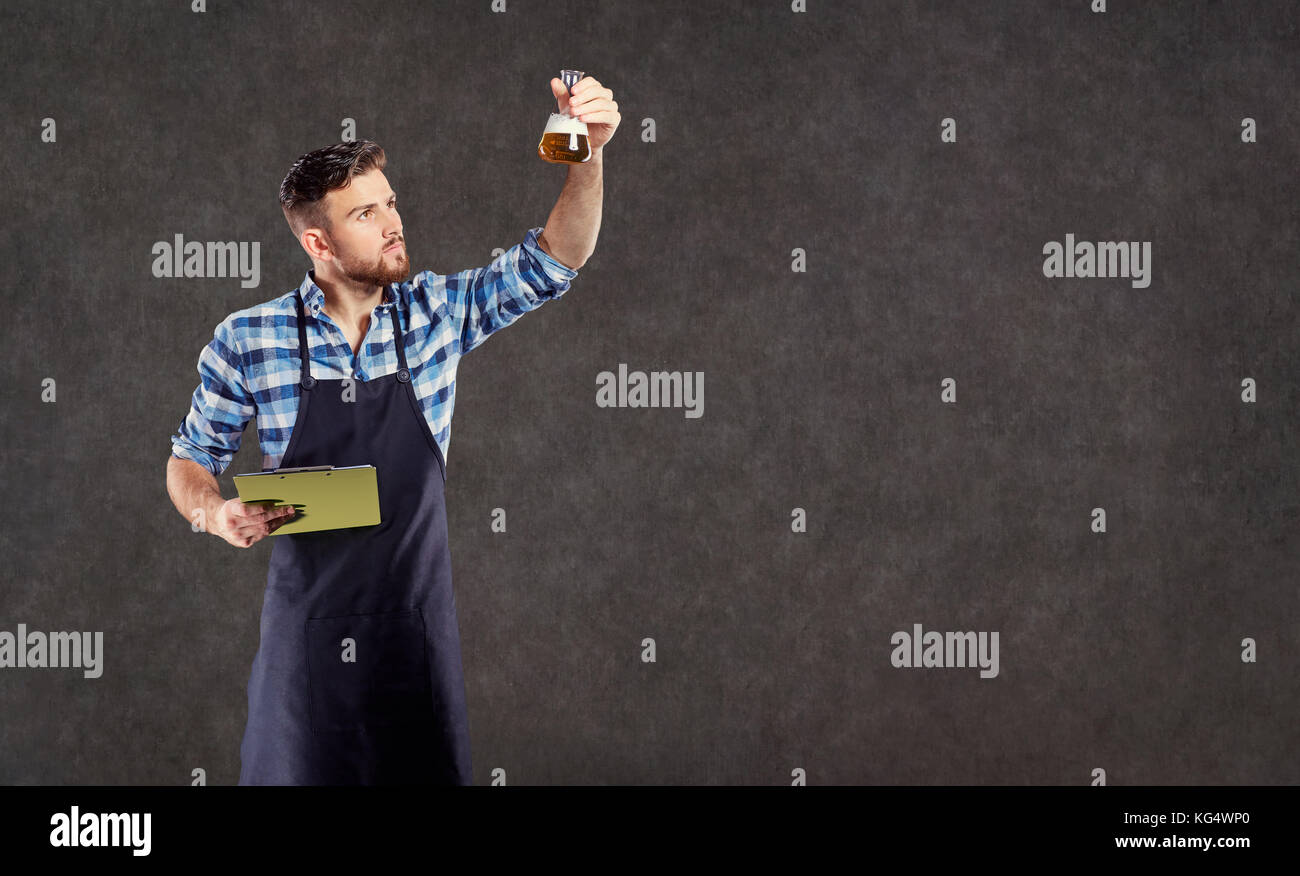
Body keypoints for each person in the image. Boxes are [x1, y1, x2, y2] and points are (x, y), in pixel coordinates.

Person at [164, 77, 620, 784]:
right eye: (366, 213)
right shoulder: (248, 340)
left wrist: (585, 157)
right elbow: (191, 456)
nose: (392, 223)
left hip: (414, 649)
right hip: (304, 663)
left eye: (391, 203)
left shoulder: (436, 314)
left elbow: (558, 259)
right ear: (318, 240)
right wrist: (212, 511)